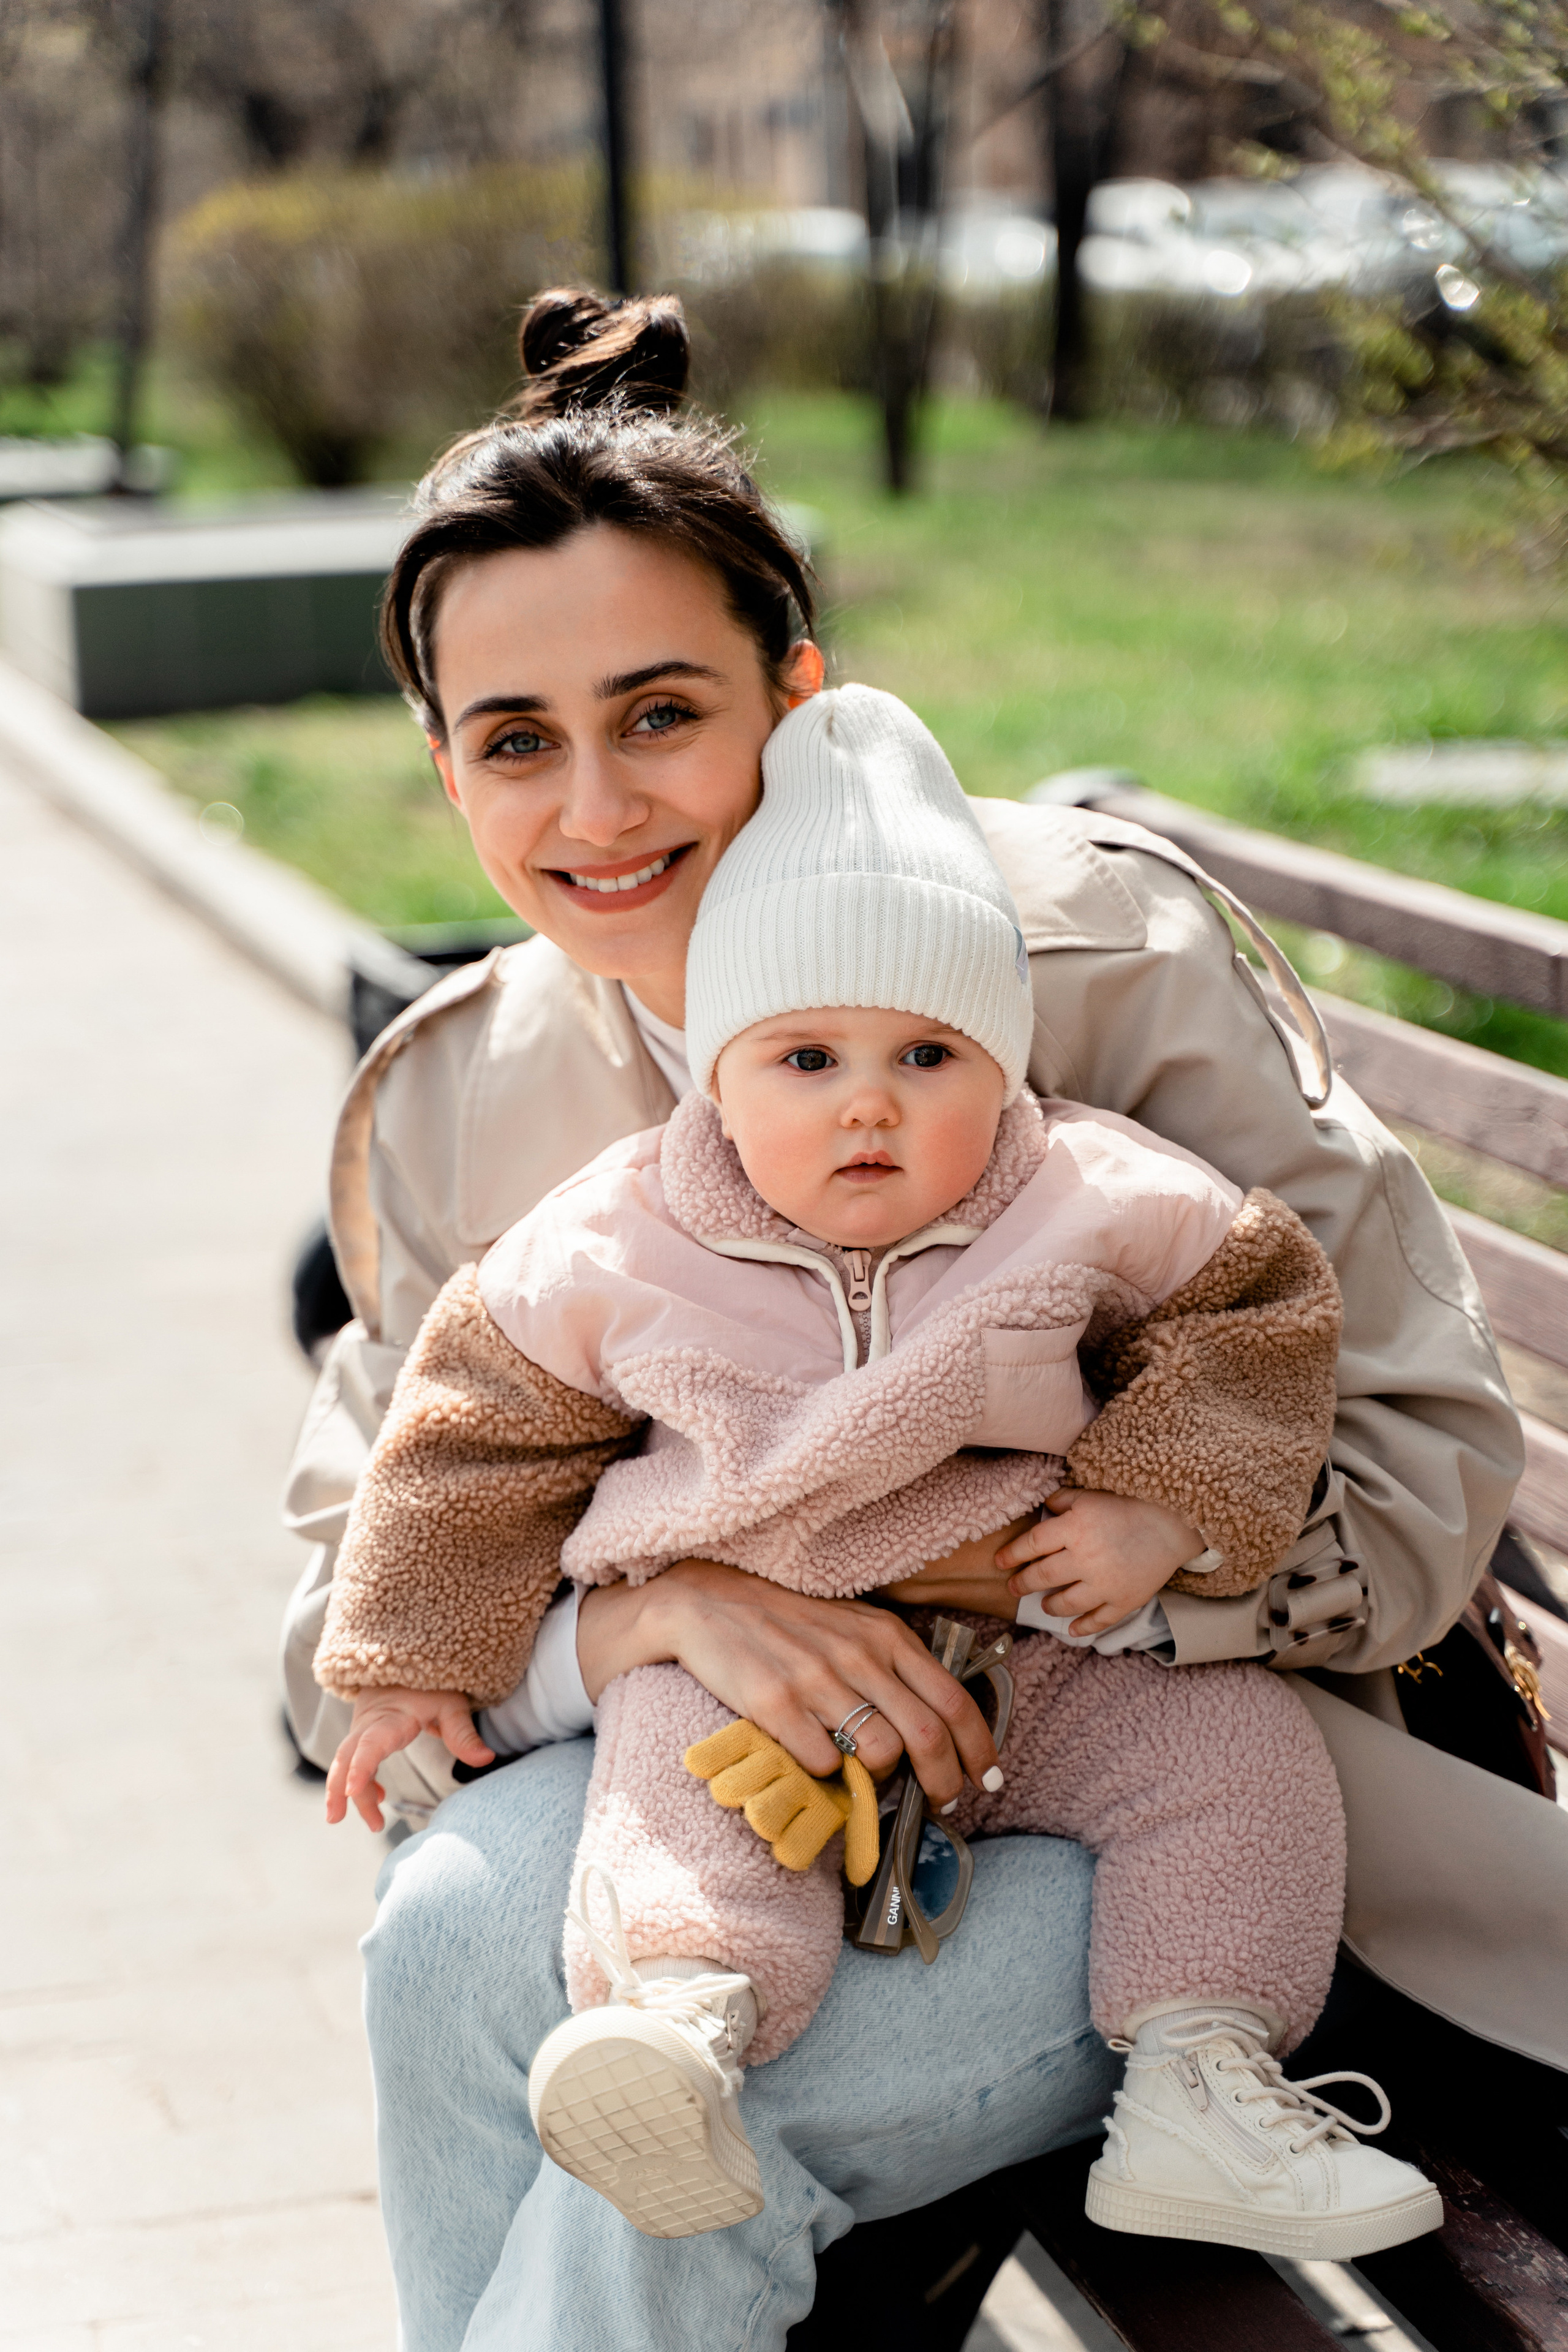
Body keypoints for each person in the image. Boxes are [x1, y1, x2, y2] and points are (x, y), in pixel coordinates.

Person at [277, 287, 1553, 2351]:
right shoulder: (466, 1098)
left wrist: (1011, 1575)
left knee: (671, 2162)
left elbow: (1420, 1468)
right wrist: (656, 1619)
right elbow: (338, 1630)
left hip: (1173, 1806)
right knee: (445, 1940)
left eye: (663, 711)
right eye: (516, 742)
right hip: (711, 1804)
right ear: (445, 772)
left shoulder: (1088, 954)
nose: (595, 809)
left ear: (800, 693)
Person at [317, 680, 1442, 2264]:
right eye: (804, 1059)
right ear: (718, 1072)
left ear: (1003, 1066)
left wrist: (1160, 1504)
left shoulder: (1085, 1197)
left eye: (929, 1053)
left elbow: (1251, 1314)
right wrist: (409, 1661)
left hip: (1039, 1656)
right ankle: (679, 2027)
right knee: (686, 1827)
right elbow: (466, 1444)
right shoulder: (617, 1238)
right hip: (748, 1663)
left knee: (1236, 1768)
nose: (868, 1102)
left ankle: (1201, 2068)